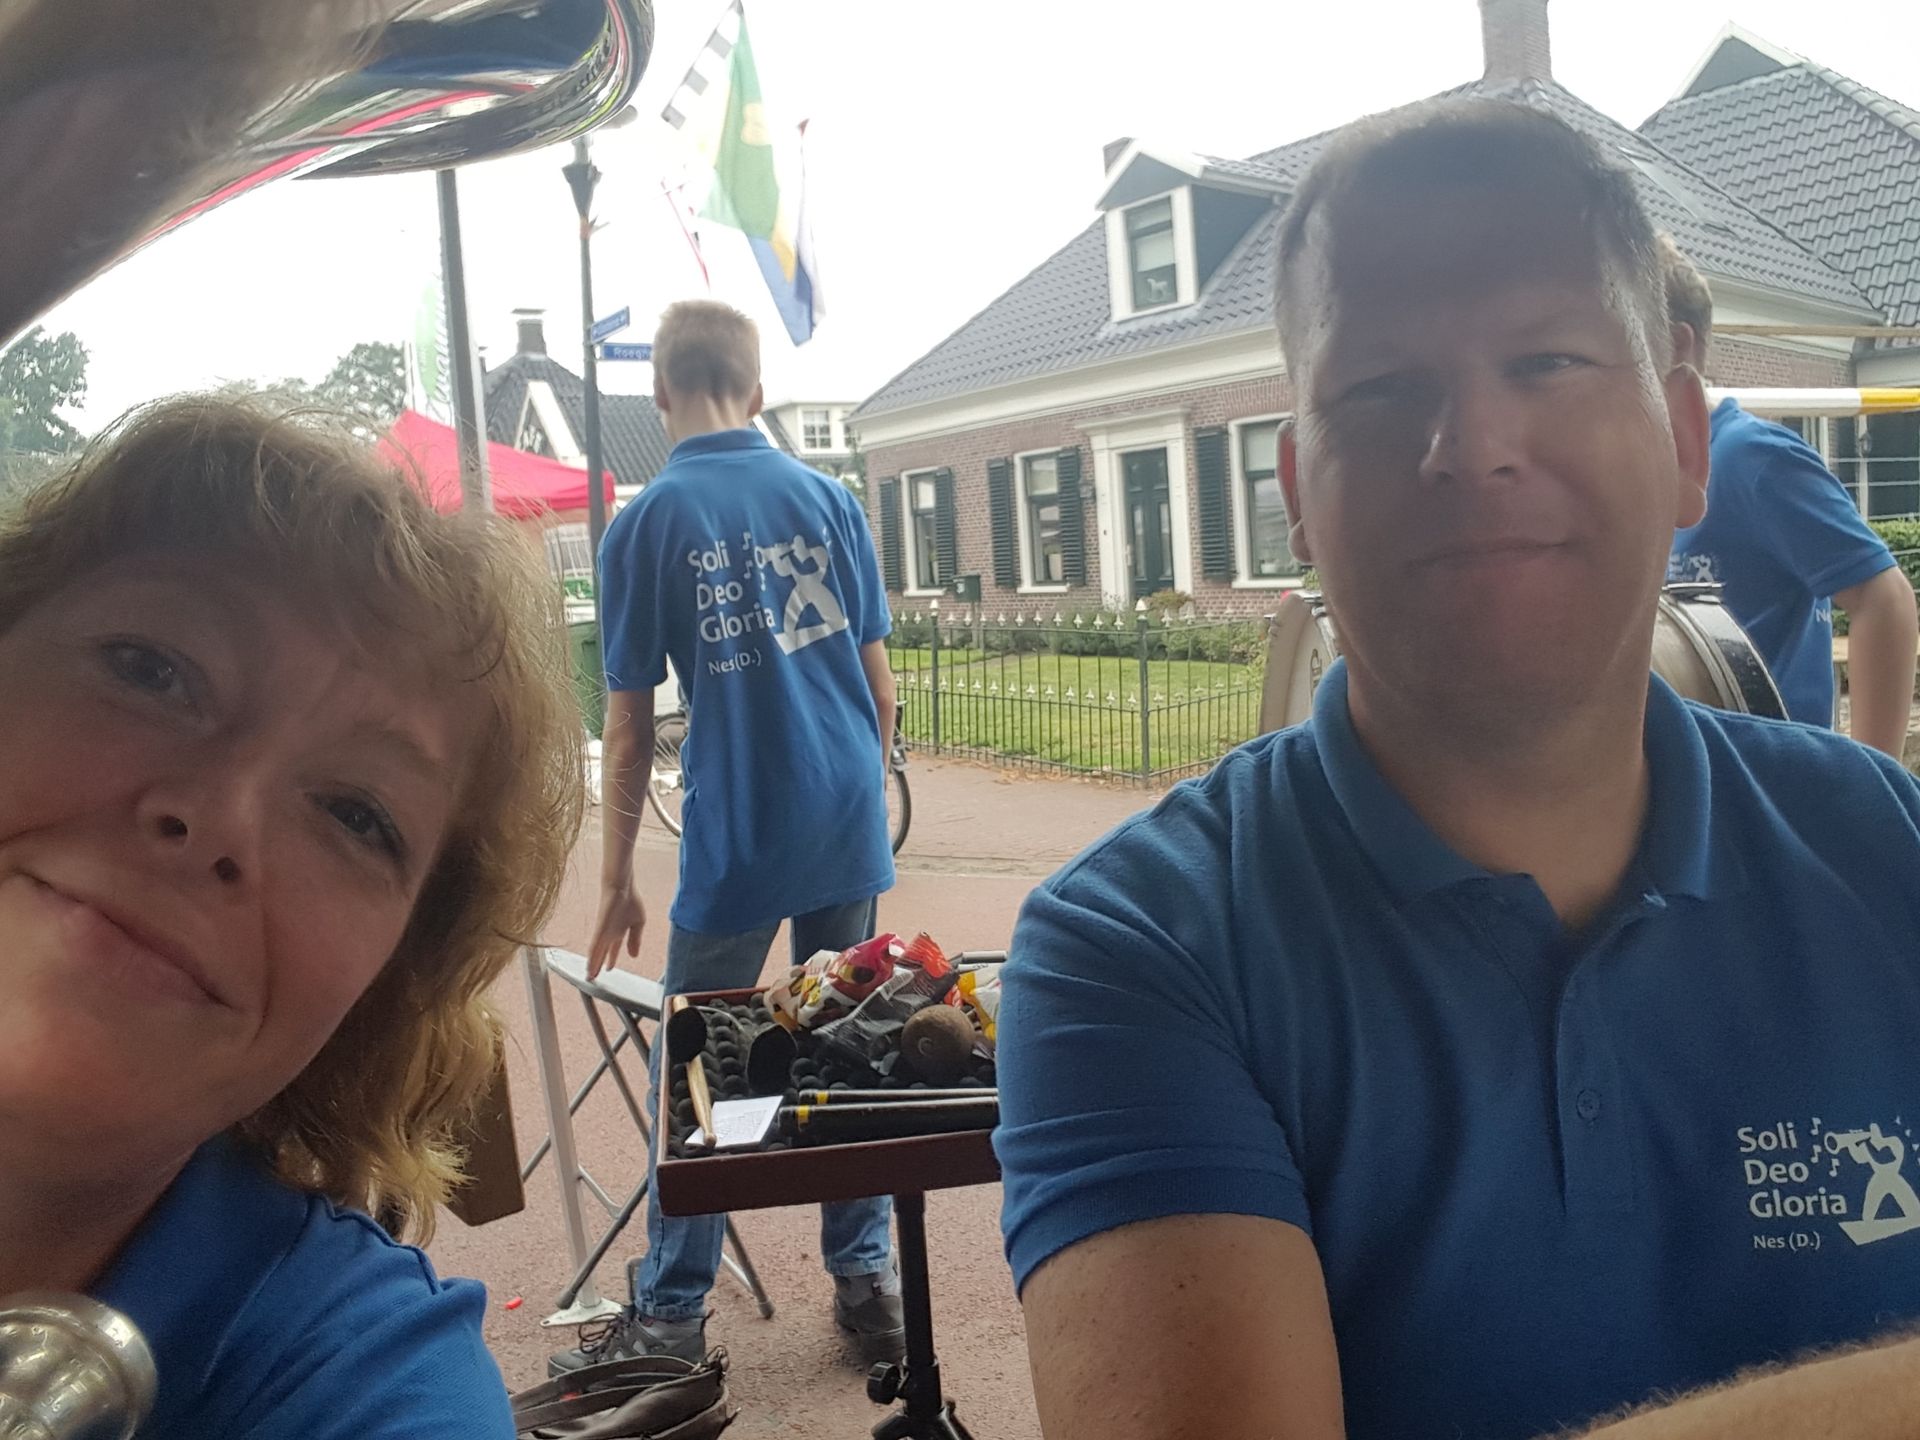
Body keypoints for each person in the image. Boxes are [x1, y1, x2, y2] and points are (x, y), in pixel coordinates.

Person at [997, 98, 1920, 1440]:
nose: (1473, 445)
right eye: (1381, 388)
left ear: (1683, 442)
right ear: (1297, 491)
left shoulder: (1888, 848)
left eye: (1547, 360)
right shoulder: (1139, 948)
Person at [0, 396, 582, 1437]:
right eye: (150, 670)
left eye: (356, 816)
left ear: (383, 984)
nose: (220, 818)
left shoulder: (362, 1383)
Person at [560, 299, 902, 1373]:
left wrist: (616, 876)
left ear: (660, 391)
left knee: (700, 1068)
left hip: (740, 830)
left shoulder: (645, 524)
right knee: (853, 1041)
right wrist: (859, 793)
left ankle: (672, 1311)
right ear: (756, 392)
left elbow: (627, 726)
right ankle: (868, 1283)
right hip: (844, 814)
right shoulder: (829, 498)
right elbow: (879, 688)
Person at [1662, 235, 1918, 755]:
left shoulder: (1753, 458)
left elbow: (1885, 598)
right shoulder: (1642, 475)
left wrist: (1870, 781)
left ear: (1674, 348)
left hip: (1777, 779)